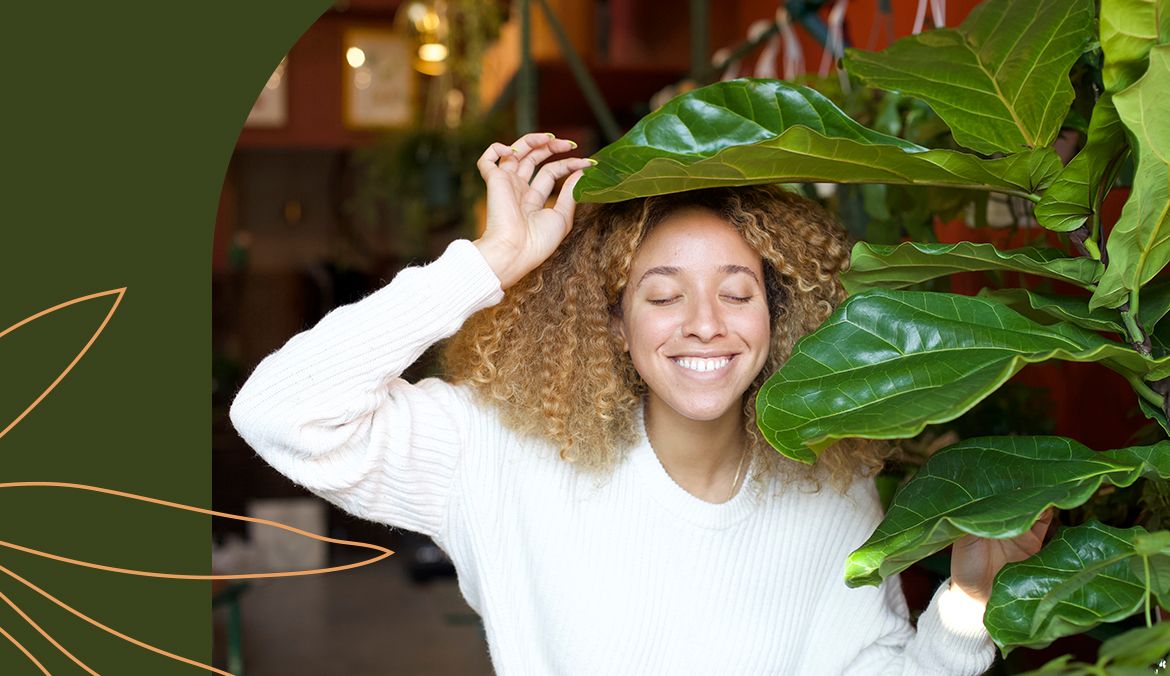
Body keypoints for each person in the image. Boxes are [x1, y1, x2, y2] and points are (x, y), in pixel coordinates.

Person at [230, 133, 1050, 674]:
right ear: (617, 328)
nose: (703, 324)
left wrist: (968, 604)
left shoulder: (830, 490)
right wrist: (492, 260)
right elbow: (280, 412)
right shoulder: (502, 456)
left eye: (737, 293)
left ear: (780, 318)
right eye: (663, 297)